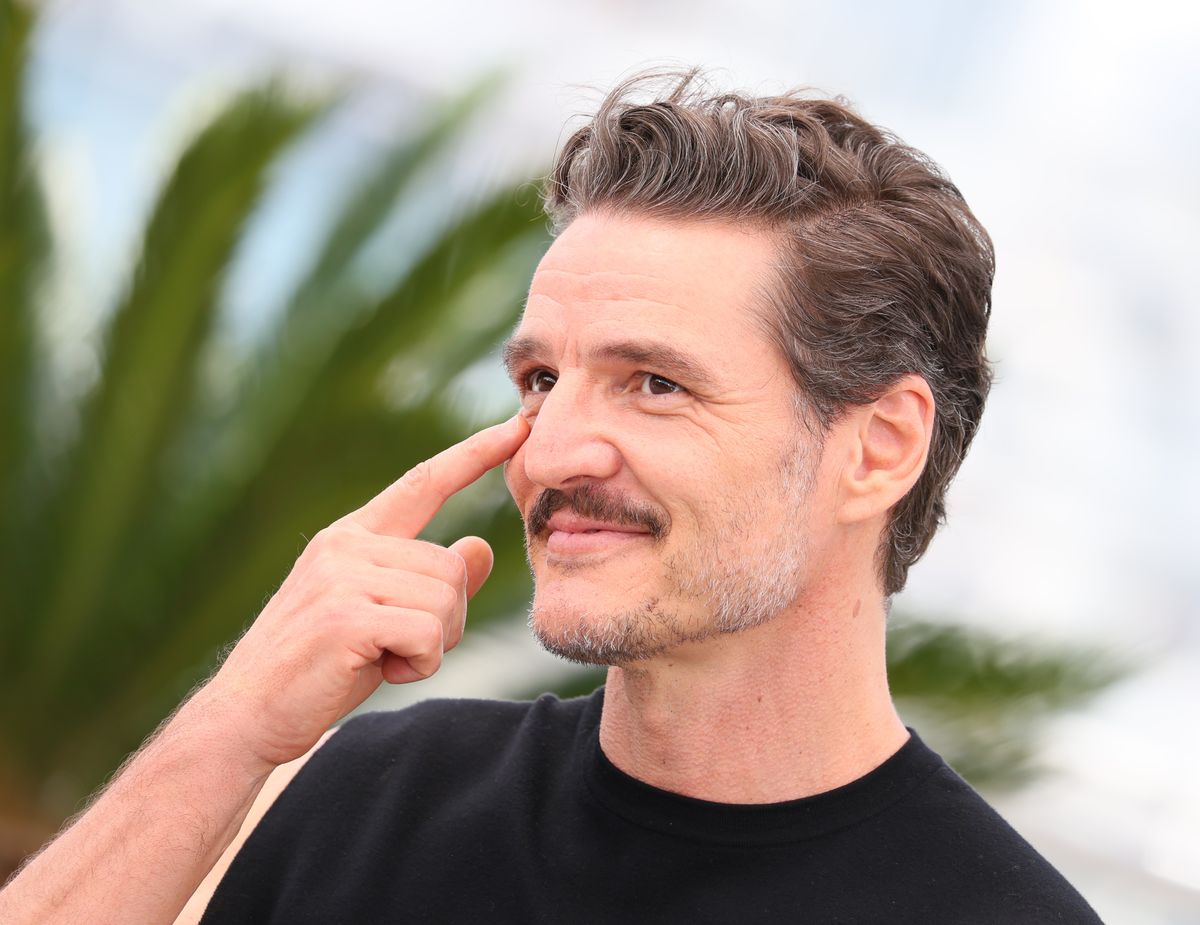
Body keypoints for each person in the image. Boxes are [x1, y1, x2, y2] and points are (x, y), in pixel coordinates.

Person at [0, 69, 1102, 924]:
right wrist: (231, 728)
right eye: (539, 379)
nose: (553, 450)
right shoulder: (376, 797)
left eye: (654, 383)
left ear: (879, 447)